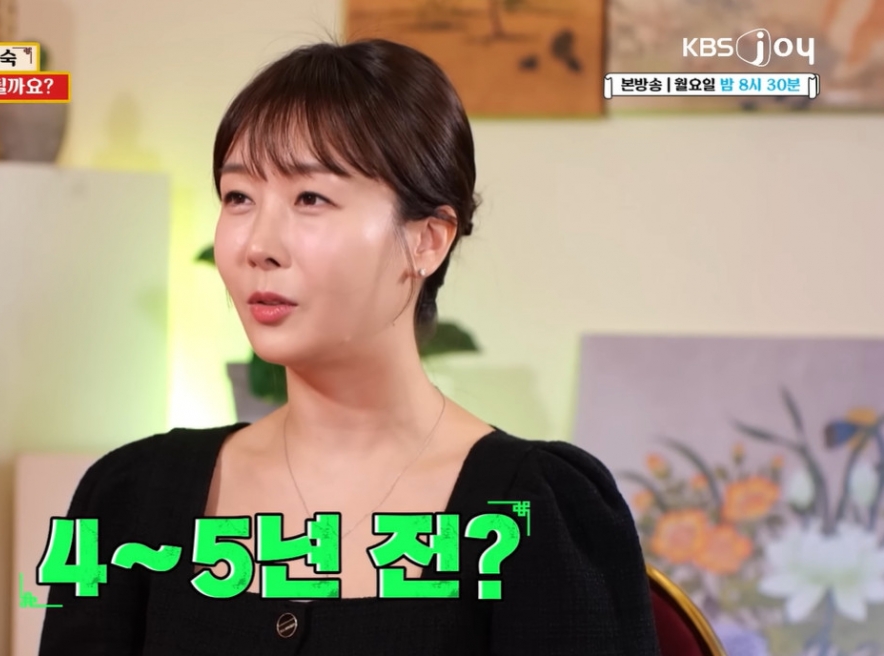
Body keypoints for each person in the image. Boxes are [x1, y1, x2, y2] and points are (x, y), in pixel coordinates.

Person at [39, 38, 660, 655]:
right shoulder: (129, 498)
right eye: (238, 197)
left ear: (427, 240)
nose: (258, 245)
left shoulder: (534, 513)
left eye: (310, 198)